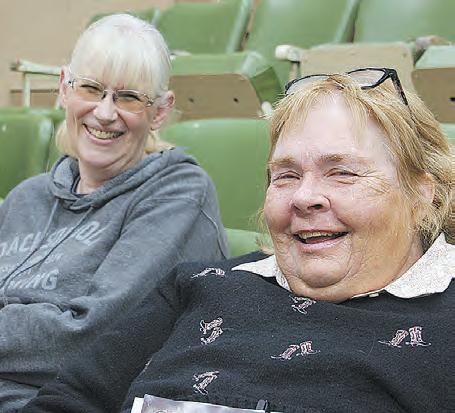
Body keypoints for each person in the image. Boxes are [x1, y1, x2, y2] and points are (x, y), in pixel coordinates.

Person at [21, 68, 454, 413]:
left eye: (342, 172)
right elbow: (68, 401)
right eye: (286, 176)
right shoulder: (196, 286)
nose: (304, 197)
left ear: (423, 194)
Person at [0, 14, 228, 412]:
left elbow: (95, 336)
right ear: (64, 89)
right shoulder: (26, 198)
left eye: (128, 97)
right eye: (91, 89)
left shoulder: (177, 193)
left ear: (160, 111)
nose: (105, 113)